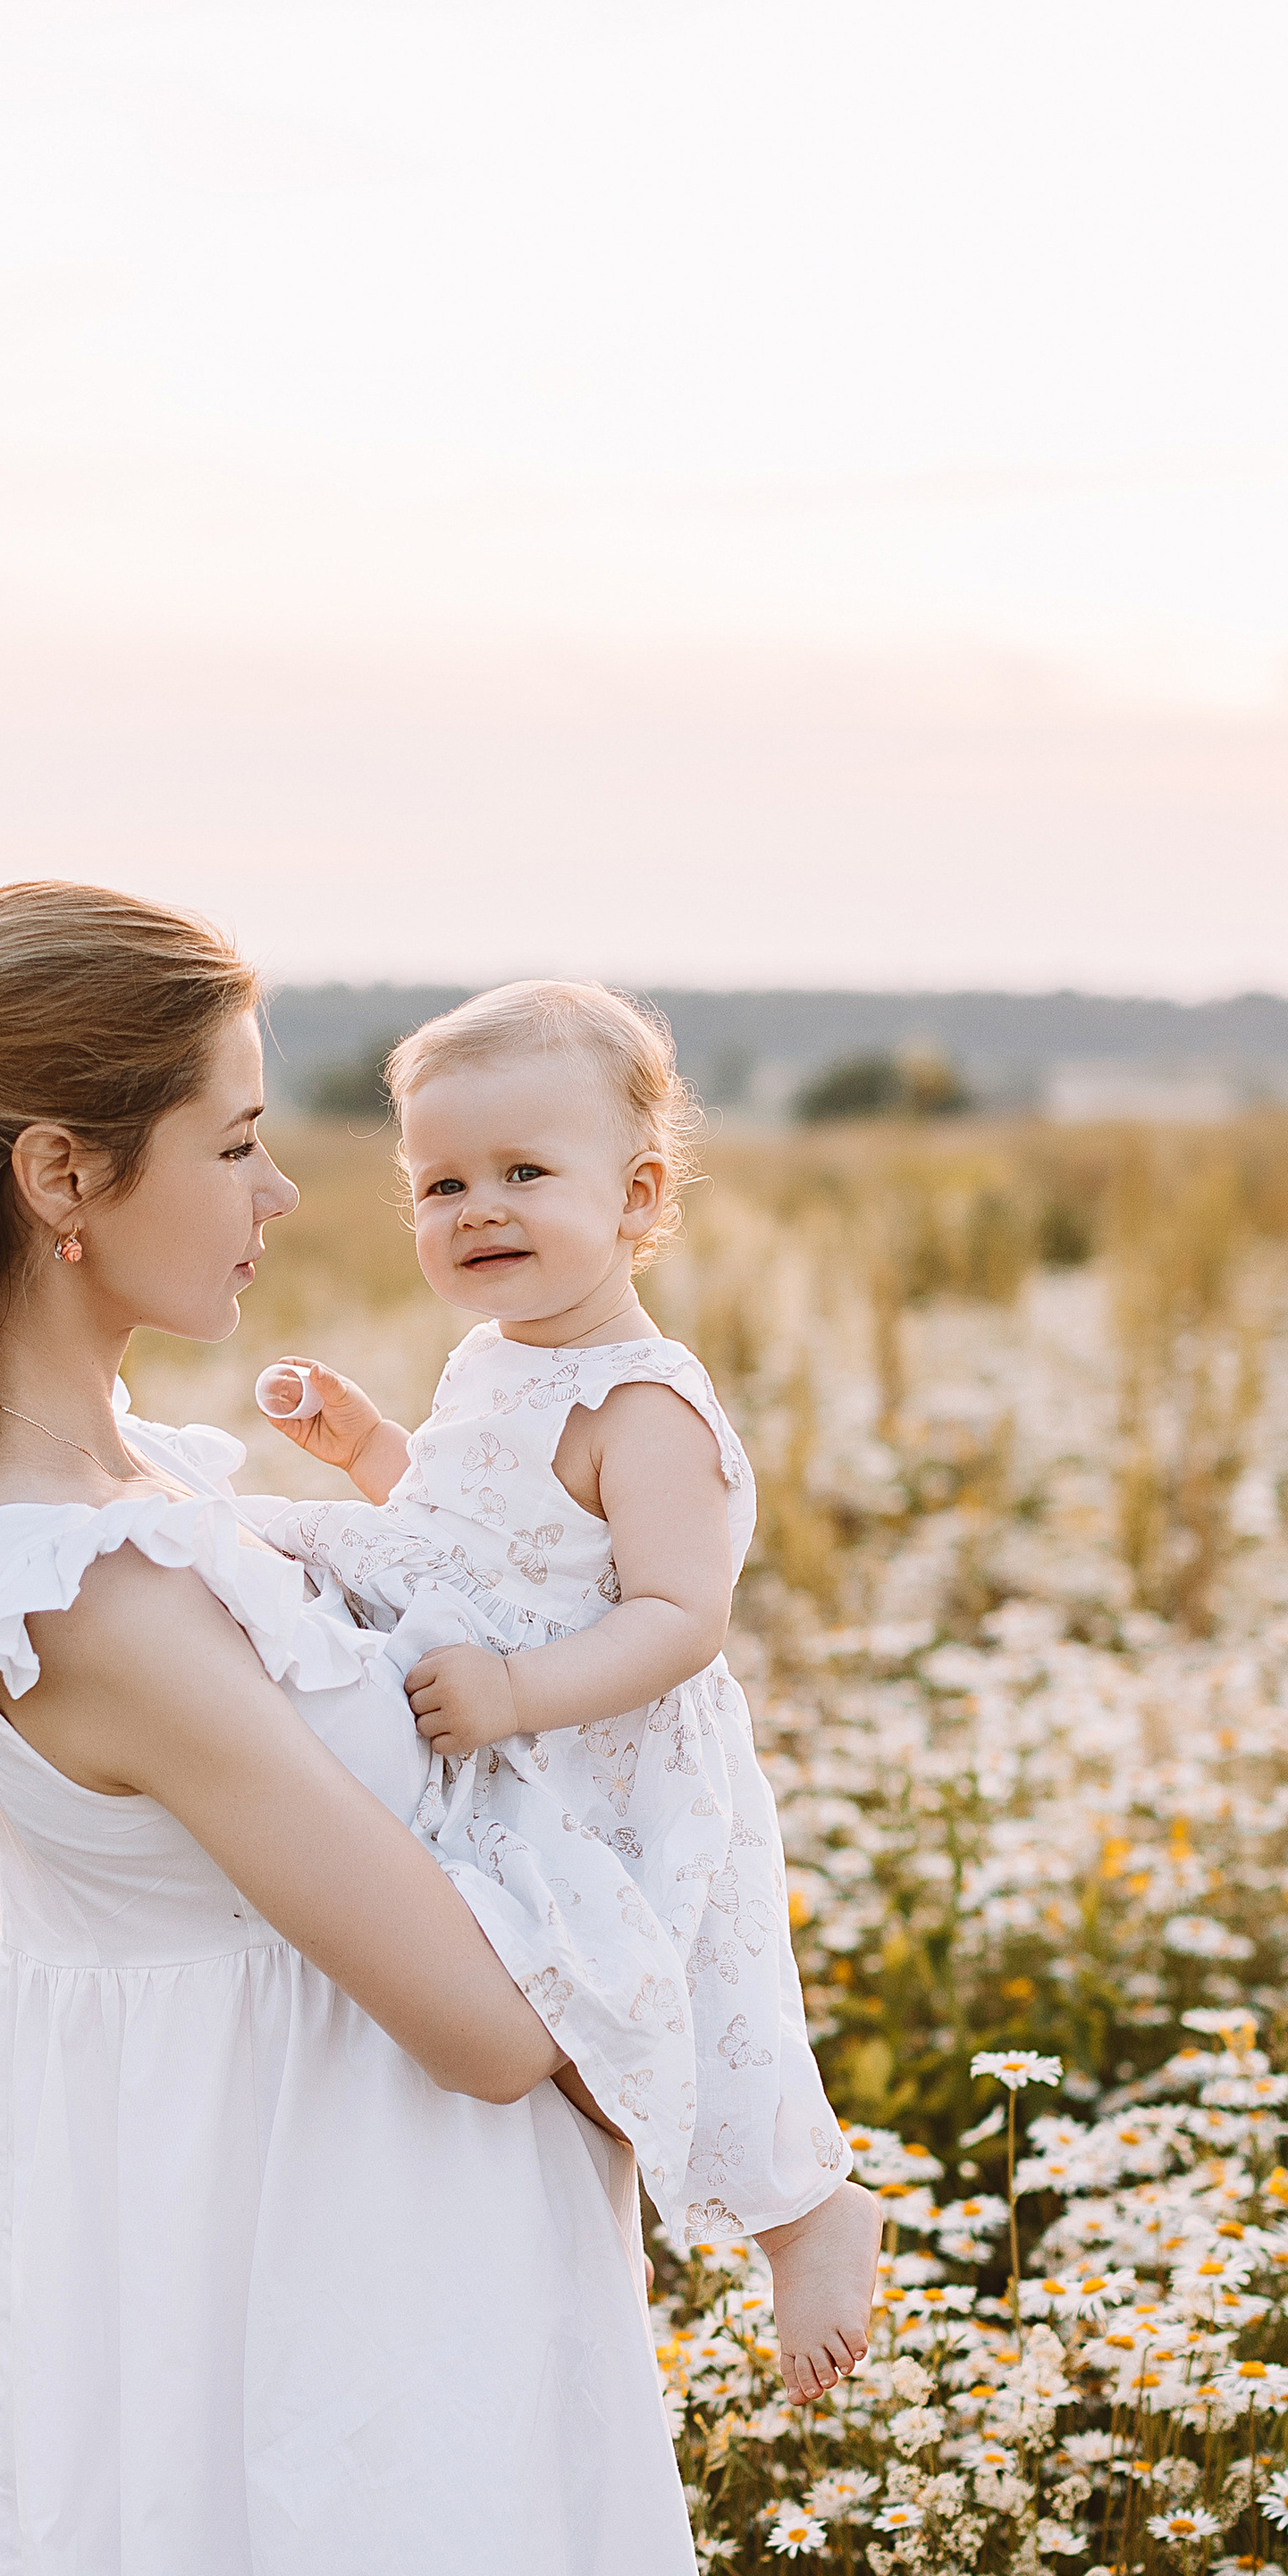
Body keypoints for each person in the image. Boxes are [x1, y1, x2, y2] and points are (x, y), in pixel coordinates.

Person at [0, 886, 857, 2576]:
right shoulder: (81, 1589)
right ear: (65, 1179)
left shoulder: (161, 1492)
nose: (282, 1197)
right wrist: (663, 1928)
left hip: (356, 2236)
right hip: (319, 2276)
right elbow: (473, 2027)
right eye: (241, 1139)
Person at [248, 980, 882, 2377]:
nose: (475, 1209)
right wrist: (368, 1454)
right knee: (576, 2007)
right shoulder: (494, 1361)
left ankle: (808, 2211)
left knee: (689, 1983)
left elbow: (677, 1614)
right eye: (440, 1184)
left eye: (525, 1174)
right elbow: (478, 1534)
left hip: (615, 1750)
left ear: (638, 1196)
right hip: (511, 1717)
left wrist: (523, 1696)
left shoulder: (643, 1403)